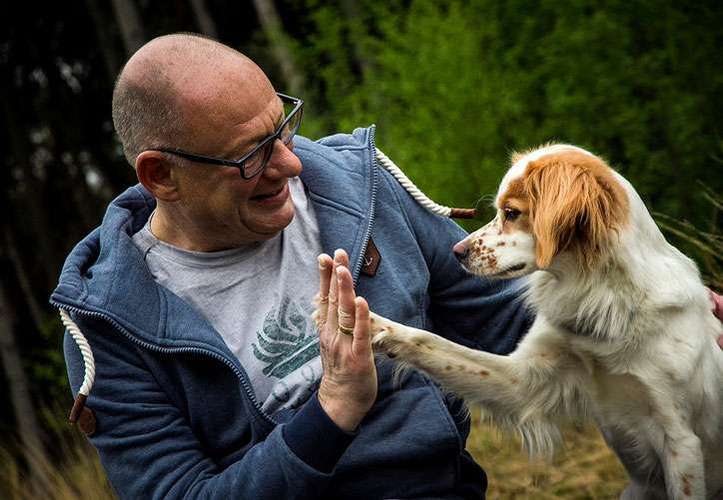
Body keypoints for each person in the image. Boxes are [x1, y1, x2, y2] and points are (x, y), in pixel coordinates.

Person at [51, 33, 722, 499]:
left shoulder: (358, 191)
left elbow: (504, 330)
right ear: (161, 175)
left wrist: (669, 321)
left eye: (282, 125)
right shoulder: (110, 325)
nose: (290, 164)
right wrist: (333, 409)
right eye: (251, 154)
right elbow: (181, 495)